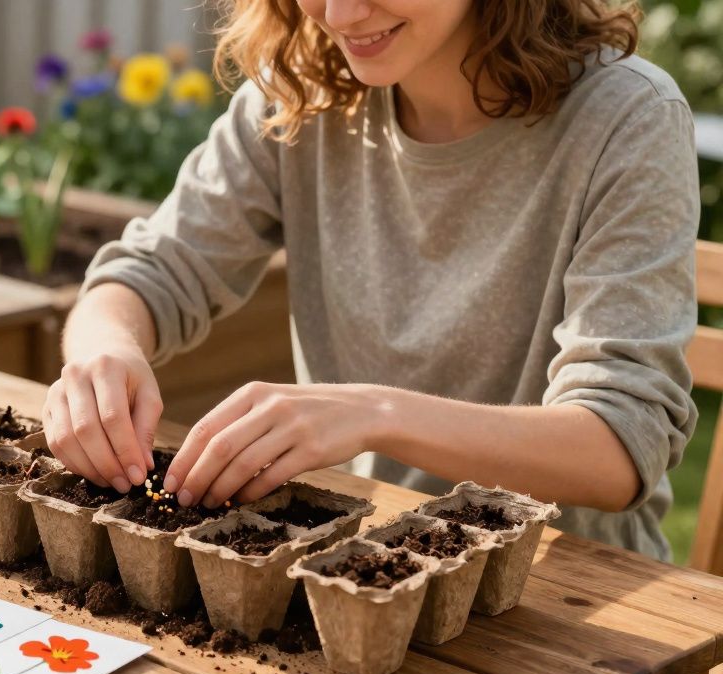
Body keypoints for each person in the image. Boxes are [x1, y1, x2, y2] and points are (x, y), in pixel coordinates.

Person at [42, 0, 700, 561]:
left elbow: (618, 444)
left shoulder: (625, 117)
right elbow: (149, 270)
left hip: (565, 602)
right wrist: (107, 354)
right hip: (356, 566)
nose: (339, 14)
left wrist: (376, 414)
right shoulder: (298, 94)